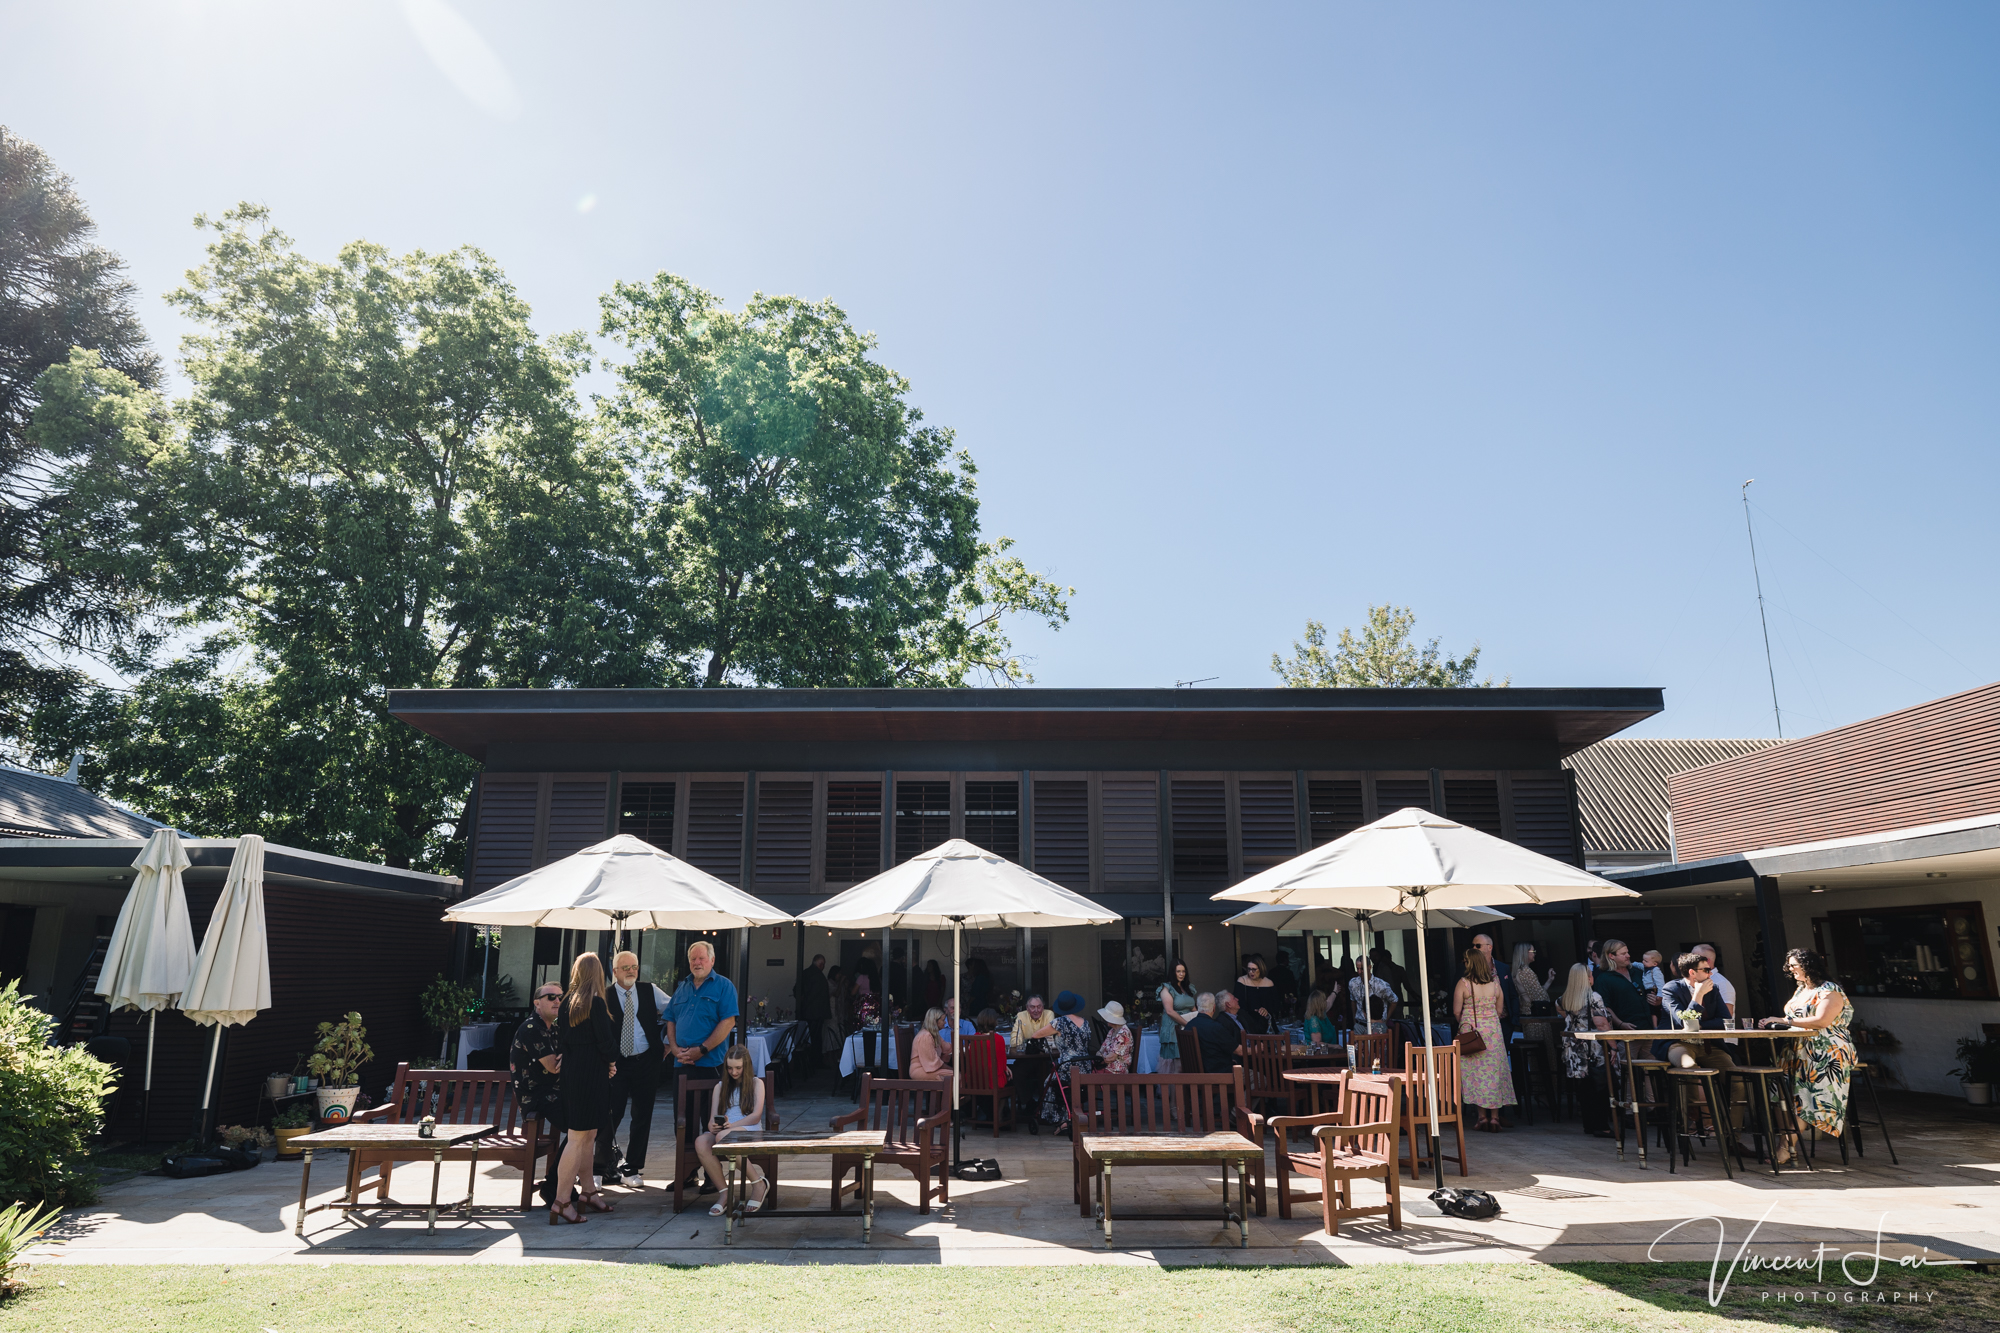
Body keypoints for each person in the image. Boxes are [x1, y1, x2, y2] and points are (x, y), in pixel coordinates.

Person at [1764, 947, 1854, 1167]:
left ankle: (1786, 1147)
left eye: (1794, 965)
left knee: (1807, 1097)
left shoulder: (1829, 990)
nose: (1790, 969)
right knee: (1779, 1094)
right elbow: (1793, 1017)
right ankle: (1788, 1143)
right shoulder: (1801, 989)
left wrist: (1785, 1021)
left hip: (1825, 1051)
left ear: (1808, 965)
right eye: (1790, 965)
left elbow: (1822, 1021)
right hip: (1795, 1049)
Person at [664, 939, 739, 1192]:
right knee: (682, 1121)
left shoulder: (724, 986)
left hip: (711, 1065)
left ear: (712, 960)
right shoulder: (682, 987)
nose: (697, 963)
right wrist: (674, 1048)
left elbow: (728, 1022)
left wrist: (702, 1050)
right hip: (682, 1065)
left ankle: (712, 1176)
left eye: (701, 958)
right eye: (693, 959)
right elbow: (671, 1020)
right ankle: (686, 1173)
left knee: (712, 1121)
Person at [551, 953, 618, 1224]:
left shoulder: (566, 1003)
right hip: (591, 1074)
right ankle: (562, 1200)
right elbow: (606, 1042)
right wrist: (612, 1062)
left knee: (588, 1134)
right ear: (598, 974)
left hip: (573, 1072)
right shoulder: (597, 1003)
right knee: (578, 1137)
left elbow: (564, 1042)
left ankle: (588, 1191)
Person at [594, 950, 668, 1187]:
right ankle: (598, 1169)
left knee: (642, 1115)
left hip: (646, 1061)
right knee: (609, 1114)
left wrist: (668, 1042)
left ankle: (632, 1169)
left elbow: (675, 1010)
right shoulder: (603, 996)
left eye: (634, 967)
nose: (630, 971)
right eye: (625, 967)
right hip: (616, 1064)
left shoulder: (650, 990)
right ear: (614, 971)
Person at [693, 1048, 768, 1216]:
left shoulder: (757, 1084)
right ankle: (725, 1193)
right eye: (730, 1068)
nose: (734, 1072)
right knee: (701, 1141)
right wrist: (713, 1125)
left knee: (723, 1137)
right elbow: (712, 1117)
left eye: (738, 1068)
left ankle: (758, 1183)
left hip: (748, 1128)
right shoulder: (720, 1087)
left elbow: (755, 1116)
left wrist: (732, 1126)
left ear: (746, 1066)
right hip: (726, 1130)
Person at [510, 982, 567, 1204]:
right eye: (551, 997)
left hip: (554, 1092)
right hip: (537, 1097)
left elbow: (566, 1057)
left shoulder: (554, 1029)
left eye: (560, 997)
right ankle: (553, 1187)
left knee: (590, 1121)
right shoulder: (531, 1028)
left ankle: (559, 1184)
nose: (557, 1001)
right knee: (581, 1126)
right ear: (536, 1003)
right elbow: (554, 1066)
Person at [1453, 948, 1516, 1130]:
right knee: (1494, 1074)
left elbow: (1457, 1011)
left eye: (1465, 960)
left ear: (1470, 963)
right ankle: (1495, 1117)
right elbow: (1499, 1010)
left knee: (1476, 1075)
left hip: (1473, 1034)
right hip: (1493, 1034)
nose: (1463, 963)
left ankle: (1481, 1117)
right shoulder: (1495, 984)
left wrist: (1468, 1021)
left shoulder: (1463, 984)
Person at [1555, 963, 1612, 1137]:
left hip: (1574, 1048)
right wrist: (1614, 1047)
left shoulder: (1564, 999)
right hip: (1592, 1047)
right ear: (1587, 978)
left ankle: (1588, 1125)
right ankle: (1602, 1126)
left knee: (1584, 1087)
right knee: (1599, 1086)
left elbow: (1562, 1012)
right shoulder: (1593, 996)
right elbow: (1601, 1023)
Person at [1038, 991, 1096, 1130]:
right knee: (1068, 1086)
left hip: (1067, 1066)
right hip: (1085, 1066)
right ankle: (1070, 1115)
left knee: (1050, 1082)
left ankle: (1060, 1119)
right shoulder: (1086, 1023)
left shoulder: (1059, 1022)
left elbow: (1036, 1035)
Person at [1009, 993, 1056, 1134]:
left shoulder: (1049, 1014)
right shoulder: (1021, 1016)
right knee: (1016, 1072)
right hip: (1027, 1059)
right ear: (1027, 1008)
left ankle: (1045, 1107)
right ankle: (1029, 1103)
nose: (1036, 1010)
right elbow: (1014, 1041)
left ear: (1043, 1007)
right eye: (1032, 1007)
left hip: (1046, 1058)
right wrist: (1035, 1041)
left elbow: (1050, 1037)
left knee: (1047, 1074)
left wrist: (1030, 1040)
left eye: (1039, 1007)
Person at [1509, 941, 1557, 1064]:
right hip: (1536, 1019)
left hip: (1527, 1016)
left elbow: (1535, 994)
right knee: (1545, 1056)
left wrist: (1549, 981)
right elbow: (1541, 997)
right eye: (1533, 951)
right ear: (1525, 953)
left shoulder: (1517, 971)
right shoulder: (1526, 971)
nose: (1535, 954)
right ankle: (1550, 1082)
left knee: (1536, 1059)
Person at [1592, 939, 1654, 1030]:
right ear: (1611, 956)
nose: (1628, 956)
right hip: (1626, 1034)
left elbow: (1650, 992)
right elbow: (1605, 1007)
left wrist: (1656, 1000)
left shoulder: (1637, 972)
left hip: (1648, 1028)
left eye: (1627, 952)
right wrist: (1620, 1024)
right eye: (1623, 954)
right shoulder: (1603, 979)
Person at [1157, 959, 1197, 1074]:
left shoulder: (1188, 988)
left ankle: (1185, 1092)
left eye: (1183, 971)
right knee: (1178, 1066)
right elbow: (1169, 1011)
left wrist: (1200, 1021)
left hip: (1188, 1028)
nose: (1181, 974)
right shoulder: (1166, 988)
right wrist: (1188, 1024)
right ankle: (1175, 1092)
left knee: (1188, 1065)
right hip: (1173, 1028)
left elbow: (1193, 1008)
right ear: (1172, 972)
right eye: (1178, 971)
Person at [1188, 991, 1243, 1073]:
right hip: (1219, 1075)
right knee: (1260, 1079)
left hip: (1195, 1075)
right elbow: (1239, 1051)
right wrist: (1256, 1049)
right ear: (1214, 1008)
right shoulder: (1215, 1027)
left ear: (1197, 1006)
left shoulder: (1189, 1025)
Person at [794, 953, 832, 1068]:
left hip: (805, 1012)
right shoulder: (819, 977)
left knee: (805, 1038)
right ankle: (815, 1061)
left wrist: (803, 1002)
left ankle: (805, 1062)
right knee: (816, 1038)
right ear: (820, 964)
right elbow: (819, 996)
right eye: (823, 964)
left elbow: (796, 990)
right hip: (817, 1012)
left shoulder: (805, 973)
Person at [1233, 955, 1278, 1034]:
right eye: (1249, 969)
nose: (1251, 972)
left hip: (1265, 1022)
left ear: (1261, 969)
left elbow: (1274, 1005)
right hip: (1248, 1022)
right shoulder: (1242, 981)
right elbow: (1238, 1004)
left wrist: (1266, 1011)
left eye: (1254, 969)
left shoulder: (1269, 983)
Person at [1691, 943, 1737, 1018]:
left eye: (1696, 958)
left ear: (1707, 961)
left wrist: (1700, 1025)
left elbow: (1727, 1016)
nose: (1691, 961)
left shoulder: (1722, 983)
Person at [1349, 966, 1399, 1035]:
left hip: (1378, 1024)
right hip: (1360, 1024)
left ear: (1369, 967)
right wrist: (1355, 1021)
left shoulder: (1381, 985)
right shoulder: (1353, 983)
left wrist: (1386, 1019)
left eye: (1362, 968)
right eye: (1357, 968)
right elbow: (1353, 1001)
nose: (1359, 971)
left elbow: (1394, 1000)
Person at [908, 1007, 954, 1081]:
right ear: (935, 1021)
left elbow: (947, 1047)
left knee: (956, 1075)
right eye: (943, 1020)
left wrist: (964, 1047)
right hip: (921, 1070)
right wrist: (952, 1069)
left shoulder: (935, 1035)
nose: (945, 1022)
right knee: (957, 1077)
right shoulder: (925, 1036)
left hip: (930, 1069)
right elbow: (933, 1062)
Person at [1096, 1000, 1134, 1073]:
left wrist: (1101, 1057)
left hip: (1116, 1070)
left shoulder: (1123, 1033)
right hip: (1107, 1067)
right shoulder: (1112, 1031)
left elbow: (1110, 1058)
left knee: (1088, 1075)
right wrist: (1100, 1056)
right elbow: (1101, 1049)